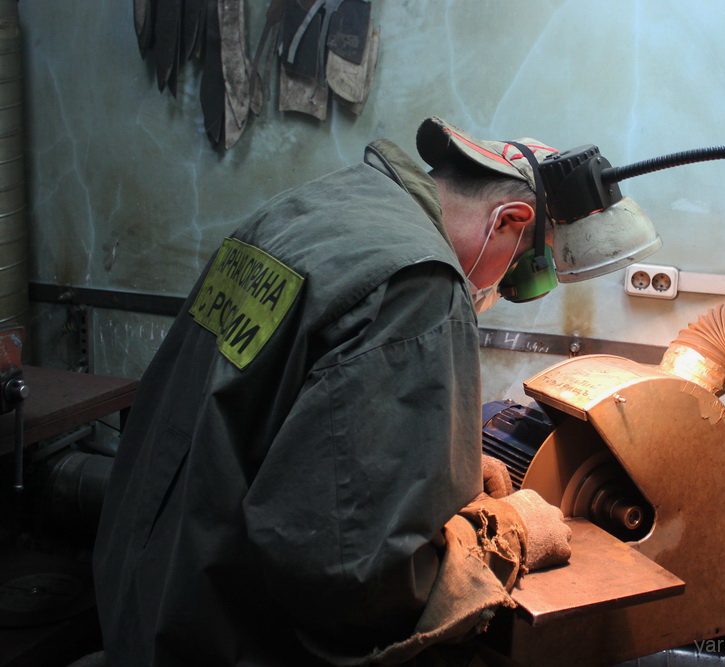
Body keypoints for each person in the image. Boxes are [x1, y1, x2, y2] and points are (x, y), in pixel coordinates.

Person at [92, 117, 573, 666]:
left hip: (145, 597)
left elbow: (273, 410)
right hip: (226, 638)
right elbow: (363, 578)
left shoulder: (314, 210)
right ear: (510, 219)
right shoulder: (419, 283)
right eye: (526, 275)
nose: (504, 291)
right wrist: (508, 533)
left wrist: (433, 464)